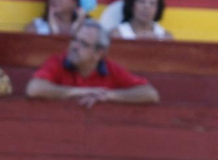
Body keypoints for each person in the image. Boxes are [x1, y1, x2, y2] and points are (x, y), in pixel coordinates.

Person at [27, 19, 160, 106]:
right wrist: (81, 92)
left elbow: (150, 93)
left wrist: (108, 95)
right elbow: (34, 89)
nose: (74, 46)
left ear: (99, 53)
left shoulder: (110, 68)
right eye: (74, 40)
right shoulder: (58, 61)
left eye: (83, 44)